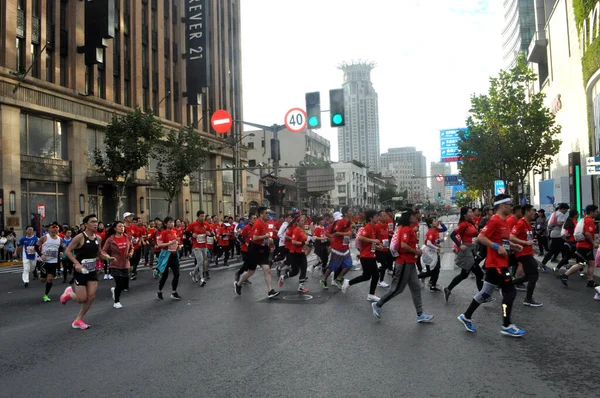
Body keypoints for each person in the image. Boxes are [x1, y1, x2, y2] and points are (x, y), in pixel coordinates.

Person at [457, 194, 525, 337]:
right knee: (510, 292)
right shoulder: (494, 221)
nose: (512, 207)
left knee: (485, 293)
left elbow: (502, 241)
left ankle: (466, 316)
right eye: (510, 204)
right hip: (496, 264)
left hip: (499, 263)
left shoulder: (504, 221)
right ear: (502, 206)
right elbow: (481, 237)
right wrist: (496, 247)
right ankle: (506, 325)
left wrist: (513, 246)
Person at [371, 210, 434, 323]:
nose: (415, 217)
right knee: (397, 289)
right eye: (413, 215)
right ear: (408, 217)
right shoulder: (405, 229)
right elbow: (403, 245)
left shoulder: (408, 229)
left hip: (410, 262)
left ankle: (420, 314)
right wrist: (416, 251)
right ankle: (378, 305)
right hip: (404, 262)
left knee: (416, 288)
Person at [60, 214, 114, 330]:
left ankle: (78, 320)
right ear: (85, 224)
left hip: (92, 271)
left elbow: (99, 254)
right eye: (92, 222)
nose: (95, 224)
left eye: (96, 222)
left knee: (91, 296)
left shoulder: (98, 238)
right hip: (81, 271)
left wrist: (108, 258)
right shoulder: (80, 237)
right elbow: (68, 251)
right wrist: (76, 263)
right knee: (81, 299)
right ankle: (69, 293)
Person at [234, 206, 279, 299]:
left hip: (262, 250)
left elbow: (265, 237)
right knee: (250, 271)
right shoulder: (258, 223)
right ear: (261, 214)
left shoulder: (265, 223)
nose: (268, 215)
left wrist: (270, 242)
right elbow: (254, 238)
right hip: (254, 250)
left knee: (267, 270)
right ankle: (238, 284)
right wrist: (265, 236)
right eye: (266, 213)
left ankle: (270, 291)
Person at [444, 207, 484, 301]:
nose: (472, 213)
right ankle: (482, 296)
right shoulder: (463, 224)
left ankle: (448, 289)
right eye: (470, 212)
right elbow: (452, 235)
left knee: (464, 275)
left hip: (471, 250)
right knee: (479, 274)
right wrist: (459, 245)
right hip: (466, 253)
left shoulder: (471, 223)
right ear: (464, 214)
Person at [342, 210, 381, 302]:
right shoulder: (367, 227)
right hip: (366, 256)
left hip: (369, 254)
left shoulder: (372, 227)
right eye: (376, 216)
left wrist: (377, 245)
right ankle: (371, 294)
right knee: (375, 275)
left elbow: (369, 241)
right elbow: (360, 237)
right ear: (371, 218)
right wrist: (374, 241)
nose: (377, 218)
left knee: (367, 276)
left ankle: (349, 282)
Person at [510, 204, 543, 307]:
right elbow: (511, 236)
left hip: (528, 252)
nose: (535, 213)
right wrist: (525, 243)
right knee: (534, 275)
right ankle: (528, 299)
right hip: (523, 253)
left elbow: (526, 238)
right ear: (527, 212)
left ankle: (508, 285)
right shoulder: (521, 223)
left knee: (528, 276)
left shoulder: (528, 223)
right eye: (533, 211)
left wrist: (532, 241)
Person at [560, 205, 599, 288]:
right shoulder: (589, 221)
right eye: (596, 211)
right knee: (582, 264)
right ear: (591, 212)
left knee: (590, 263)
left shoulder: (583, 219)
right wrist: (593, 243)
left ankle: (590, 281)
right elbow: (587, 233)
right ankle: (565, 275)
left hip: (582, 245)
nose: (597, 213)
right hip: (585, 246)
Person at [320, 207, 354, 290]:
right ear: (345, 213)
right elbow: (335, 233)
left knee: (349, 265)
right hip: (337, 248)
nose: (352, 212)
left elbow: (348, 233)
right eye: (350, 211)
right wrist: (346, 233)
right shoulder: (341, 221)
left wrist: (351, 234)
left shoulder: (349, 222)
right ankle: (324, 280)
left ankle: (339, 278)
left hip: (345, 247)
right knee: (332, 266)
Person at [102, 221, 132, 309]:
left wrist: (130, 253)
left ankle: (115, 291)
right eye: (119, 226)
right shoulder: (110, 239)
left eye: (123, 226)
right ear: (115, 228)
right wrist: (108, 257)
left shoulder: (128, 237)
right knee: (118, 283)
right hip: (114, 264)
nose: (122, 228)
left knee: (125, 285)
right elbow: (103, 251)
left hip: (125, 263)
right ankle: (116, 301)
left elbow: (132, 248)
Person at [278, 215, 310, 292]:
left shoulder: (302, 230)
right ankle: (283, 277)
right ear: (297, 222)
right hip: (294, 253)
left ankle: (301, 287)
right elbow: (293, 241)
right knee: (295, 272)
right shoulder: (296, 230)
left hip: (301, 253)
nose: (303, 222)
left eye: (303, 220)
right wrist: (303, 243)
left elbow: (305, 240)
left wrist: (306, 246)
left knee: (304, 268)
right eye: (301, 221)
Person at [155, 217, 183, 300]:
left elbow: (175, 243)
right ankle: (159, 291)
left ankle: (174, 292)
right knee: (165, 275)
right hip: (166, 256)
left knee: (177, 274)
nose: (172, 224)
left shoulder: (174, 232)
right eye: (170, 222)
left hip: (174, 255)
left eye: (173, 222)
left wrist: (177, 247)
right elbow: (159, 244)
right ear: (166, 224)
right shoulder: (164, 233)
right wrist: (170, 243)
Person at [417, 217, 447, 292]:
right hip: (429, 253)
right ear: (431, 224)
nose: (437, 222)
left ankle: (432, 284)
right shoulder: (430, 232)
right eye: (435, 221)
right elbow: (428, 243)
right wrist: (436, 247)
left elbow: (445, 229)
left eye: (436, 220)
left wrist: (438, 242)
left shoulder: (436, 230)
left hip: (434, 252)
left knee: (437, 268)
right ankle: (416, 277)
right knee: (431, 270)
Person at [36, 222, 63, 302]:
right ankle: (41, 275)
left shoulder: (60, 239)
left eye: (56, 229)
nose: (54, 230)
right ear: (49, 229)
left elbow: (60, 248)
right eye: (53, 228)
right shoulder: (44, 237)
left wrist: (60, 253)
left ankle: (46, 295)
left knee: (50, 278)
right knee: (43, 279)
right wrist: (41, 255)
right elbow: (36, 247)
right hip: (44, 261)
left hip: (53, 261)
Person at [541, 203, 570, 267]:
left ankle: (566, 263)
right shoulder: (560, 214)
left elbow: (547, 221)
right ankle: (543, 263)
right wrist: (566, 223)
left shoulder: (554, 213)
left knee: (563, 249)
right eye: (566, 210)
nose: (566, 211)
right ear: (563, 209)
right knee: (553, 250)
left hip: (554, 233)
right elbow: (559, 223)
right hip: (558, 234)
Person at [187, 210, 211, 286]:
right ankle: (202, 278)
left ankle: (193, 273)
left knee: (203, 262)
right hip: (196, 246)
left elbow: (210, 232)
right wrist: (192, 235)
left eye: (203, 216)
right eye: (201, 216)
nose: (202, 218)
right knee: (200, 262)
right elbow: (186, 232)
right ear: (198, 216)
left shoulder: (206, 224)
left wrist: (208, 233)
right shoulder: (193, 224)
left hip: (204, 245)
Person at [553, 209, 579, 274]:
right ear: (575, 215)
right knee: (579, 257)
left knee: (567, 257)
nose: (578, 215)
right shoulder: (574, 222)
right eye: (578, 214)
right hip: (573, 242)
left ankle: (557, 268)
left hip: (567, 242)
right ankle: (580, 271)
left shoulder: (568, 221)